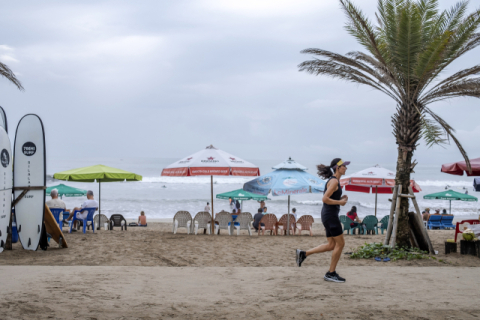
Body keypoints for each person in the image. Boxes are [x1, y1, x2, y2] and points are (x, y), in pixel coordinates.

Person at [296, 158, 350, 283]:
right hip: (331, 216)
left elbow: (330, 199)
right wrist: (340, 202)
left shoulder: (334, 181)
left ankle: (304, 254)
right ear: (337, 167)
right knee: (340, 244)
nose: (346, 168)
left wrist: (340, 198)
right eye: (344, 166)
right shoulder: (334, 182)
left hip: (327, 215)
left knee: (332, 245)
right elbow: (325, 199)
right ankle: (331, 273)